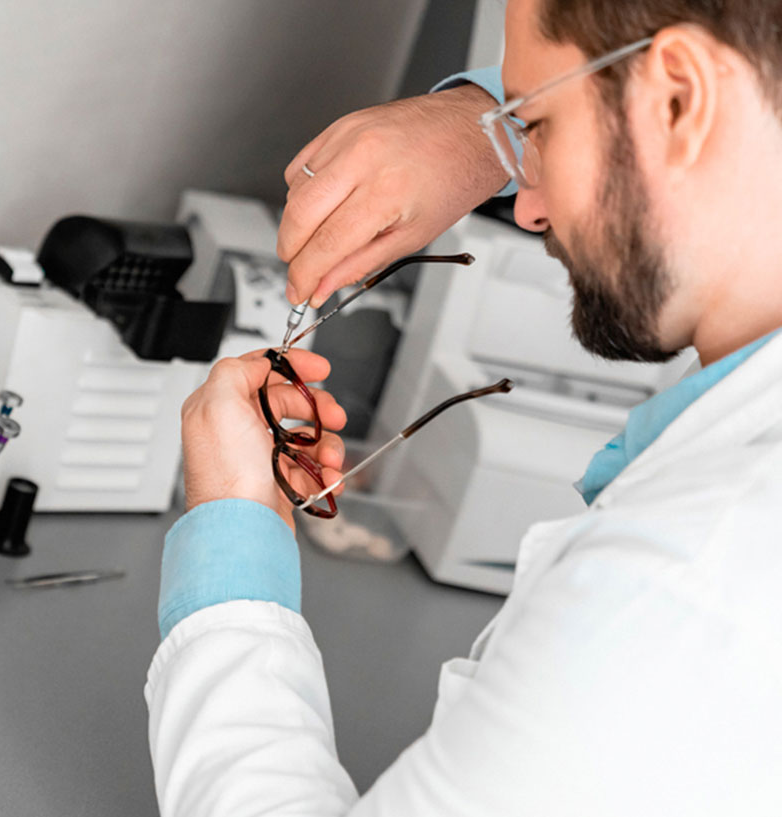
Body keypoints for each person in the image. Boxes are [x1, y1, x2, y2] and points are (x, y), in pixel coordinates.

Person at [145, 0, 782, 813]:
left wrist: (229, 555)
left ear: (681, 98)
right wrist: (481, 116)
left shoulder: (681, 585)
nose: (526, 207)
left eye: (537, 124)